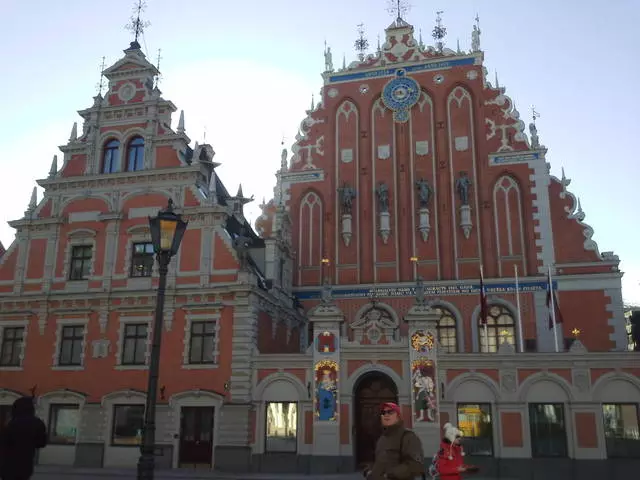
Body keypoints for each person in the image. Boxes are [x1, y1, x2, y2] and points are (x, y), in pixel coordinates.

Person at [363, 402, 425, 480]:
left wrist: (389, 475)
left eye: (390, 412)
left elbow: (416, 465)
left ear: (398, 416)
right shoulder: (382, 438)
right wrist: (368, 471)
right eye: (383, 412)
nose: (386, 414)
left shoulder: (408, 436)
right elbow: (379, 461)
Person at [0, 396, 47, 480]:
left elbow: (4, 442)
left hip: (7, 464)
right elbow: (41, 443)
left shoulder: (10, 423)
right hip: (25, 463)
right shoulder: (37, 423)